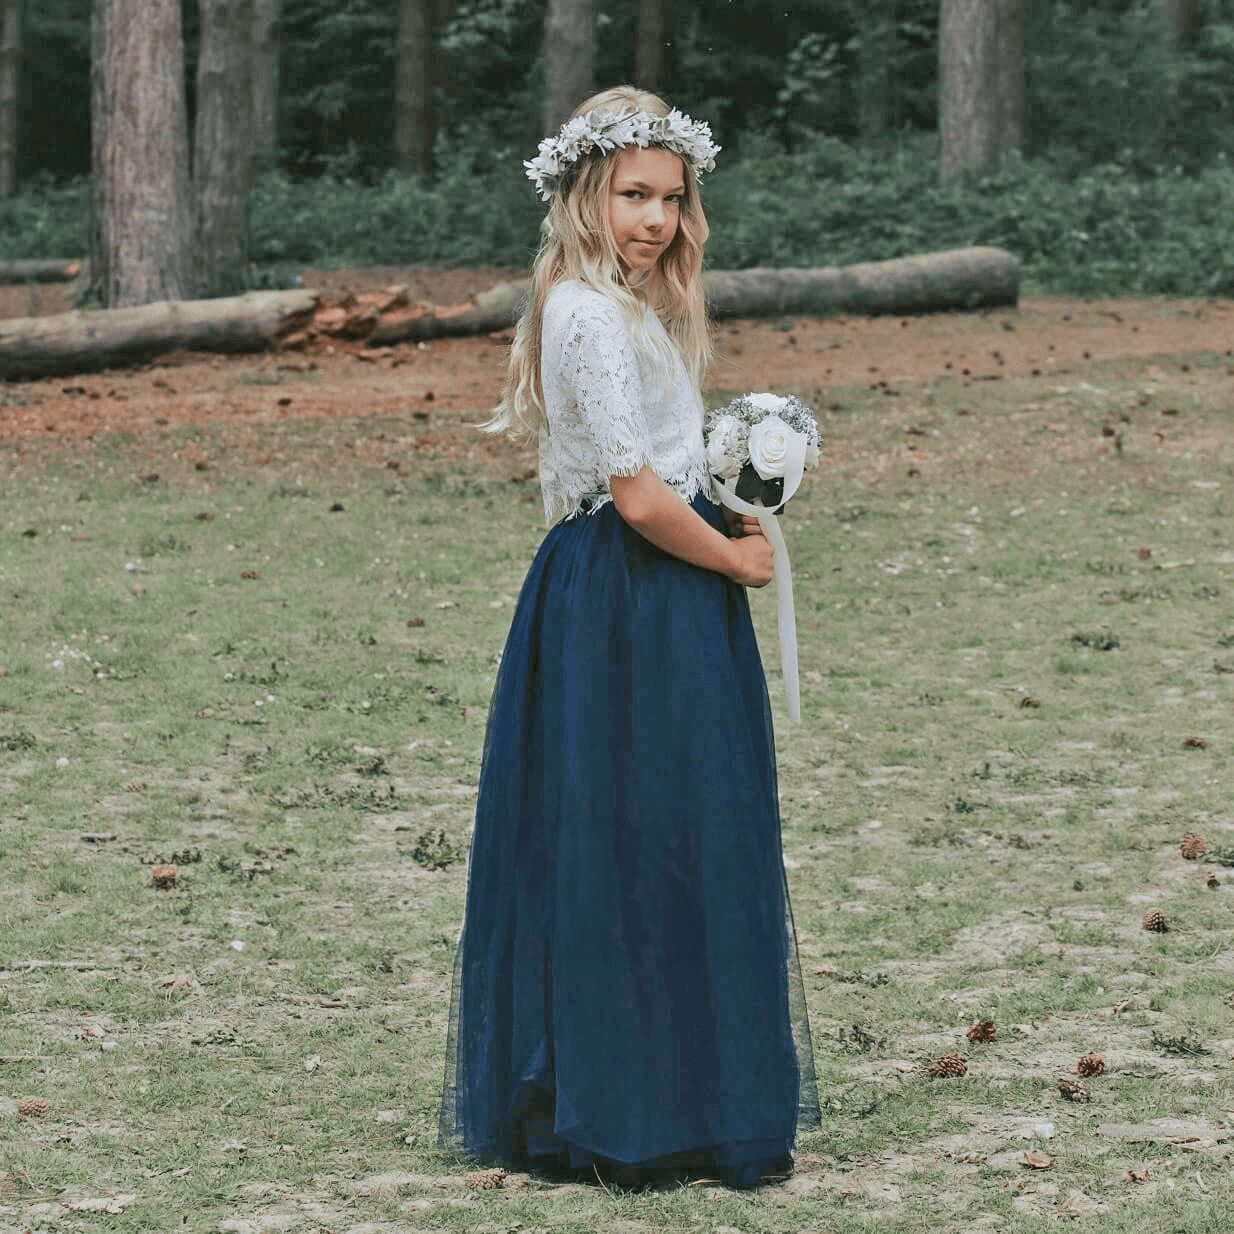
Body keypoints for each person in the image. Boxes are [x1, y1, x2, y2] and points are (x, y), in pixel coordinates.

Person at [438, 85, 818, 1190]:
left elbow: (668, 463)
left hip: (663, 581)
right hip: (625, 595)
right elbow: (636, 496)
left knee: (680, 827)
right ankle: (625, 1100)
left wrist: (745, 471)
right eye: (631, 195)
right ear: (582, 196)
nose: (652, 218)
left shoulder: (634, 307)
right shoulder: (585, 312)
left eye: (670, 198)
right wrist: (735, 559)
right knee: (628, 832)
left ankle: (679, 1085)